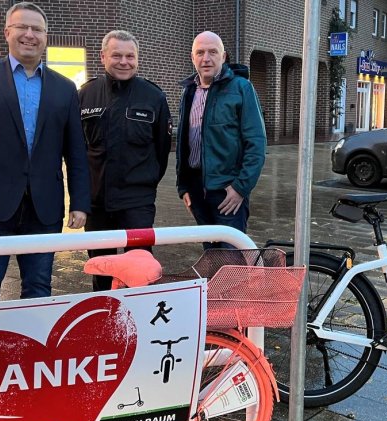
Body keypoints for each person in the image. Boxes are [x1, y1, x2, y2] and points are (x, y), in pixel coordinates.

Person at [0, 1, 90, 304]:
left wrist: (80, 203)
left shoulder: (65, 88)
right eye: (22, 27)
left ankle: (29, 349)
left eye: (36, 29)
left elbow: (76, 151)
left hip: (44, 207)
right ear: (7, 32)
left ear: (45, 36)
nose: (29, 34)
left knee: (38, 288)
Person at [79, 30, 172, 291]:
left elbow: (162, 151)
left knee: (140, 271)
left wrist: (145, 182)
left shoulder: (154, 97)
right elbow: (77, 149)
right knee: (101, 268)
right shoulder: (85, 95)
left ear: (137, 59)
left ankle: (138, 320)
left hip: (137, 203)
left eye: (130, 56)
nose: (124, 61)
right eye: (117, 55)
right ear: (103, 57)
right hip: (97, 203)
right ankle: (103, 317)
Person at [176, 31, 266, 247]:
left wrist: (240, 188)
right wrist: (184, 188)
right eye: (200, 52)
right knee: (211, 258)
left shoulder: (241, 88)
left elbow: (256, 143)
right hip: (197, 191)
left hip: (227, 192)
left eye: (212, 52)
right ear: (192, 57)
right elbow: (183, 143)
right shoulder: (188, 91)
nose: (206, 58)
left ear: (223, 56)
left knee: (231, 263)